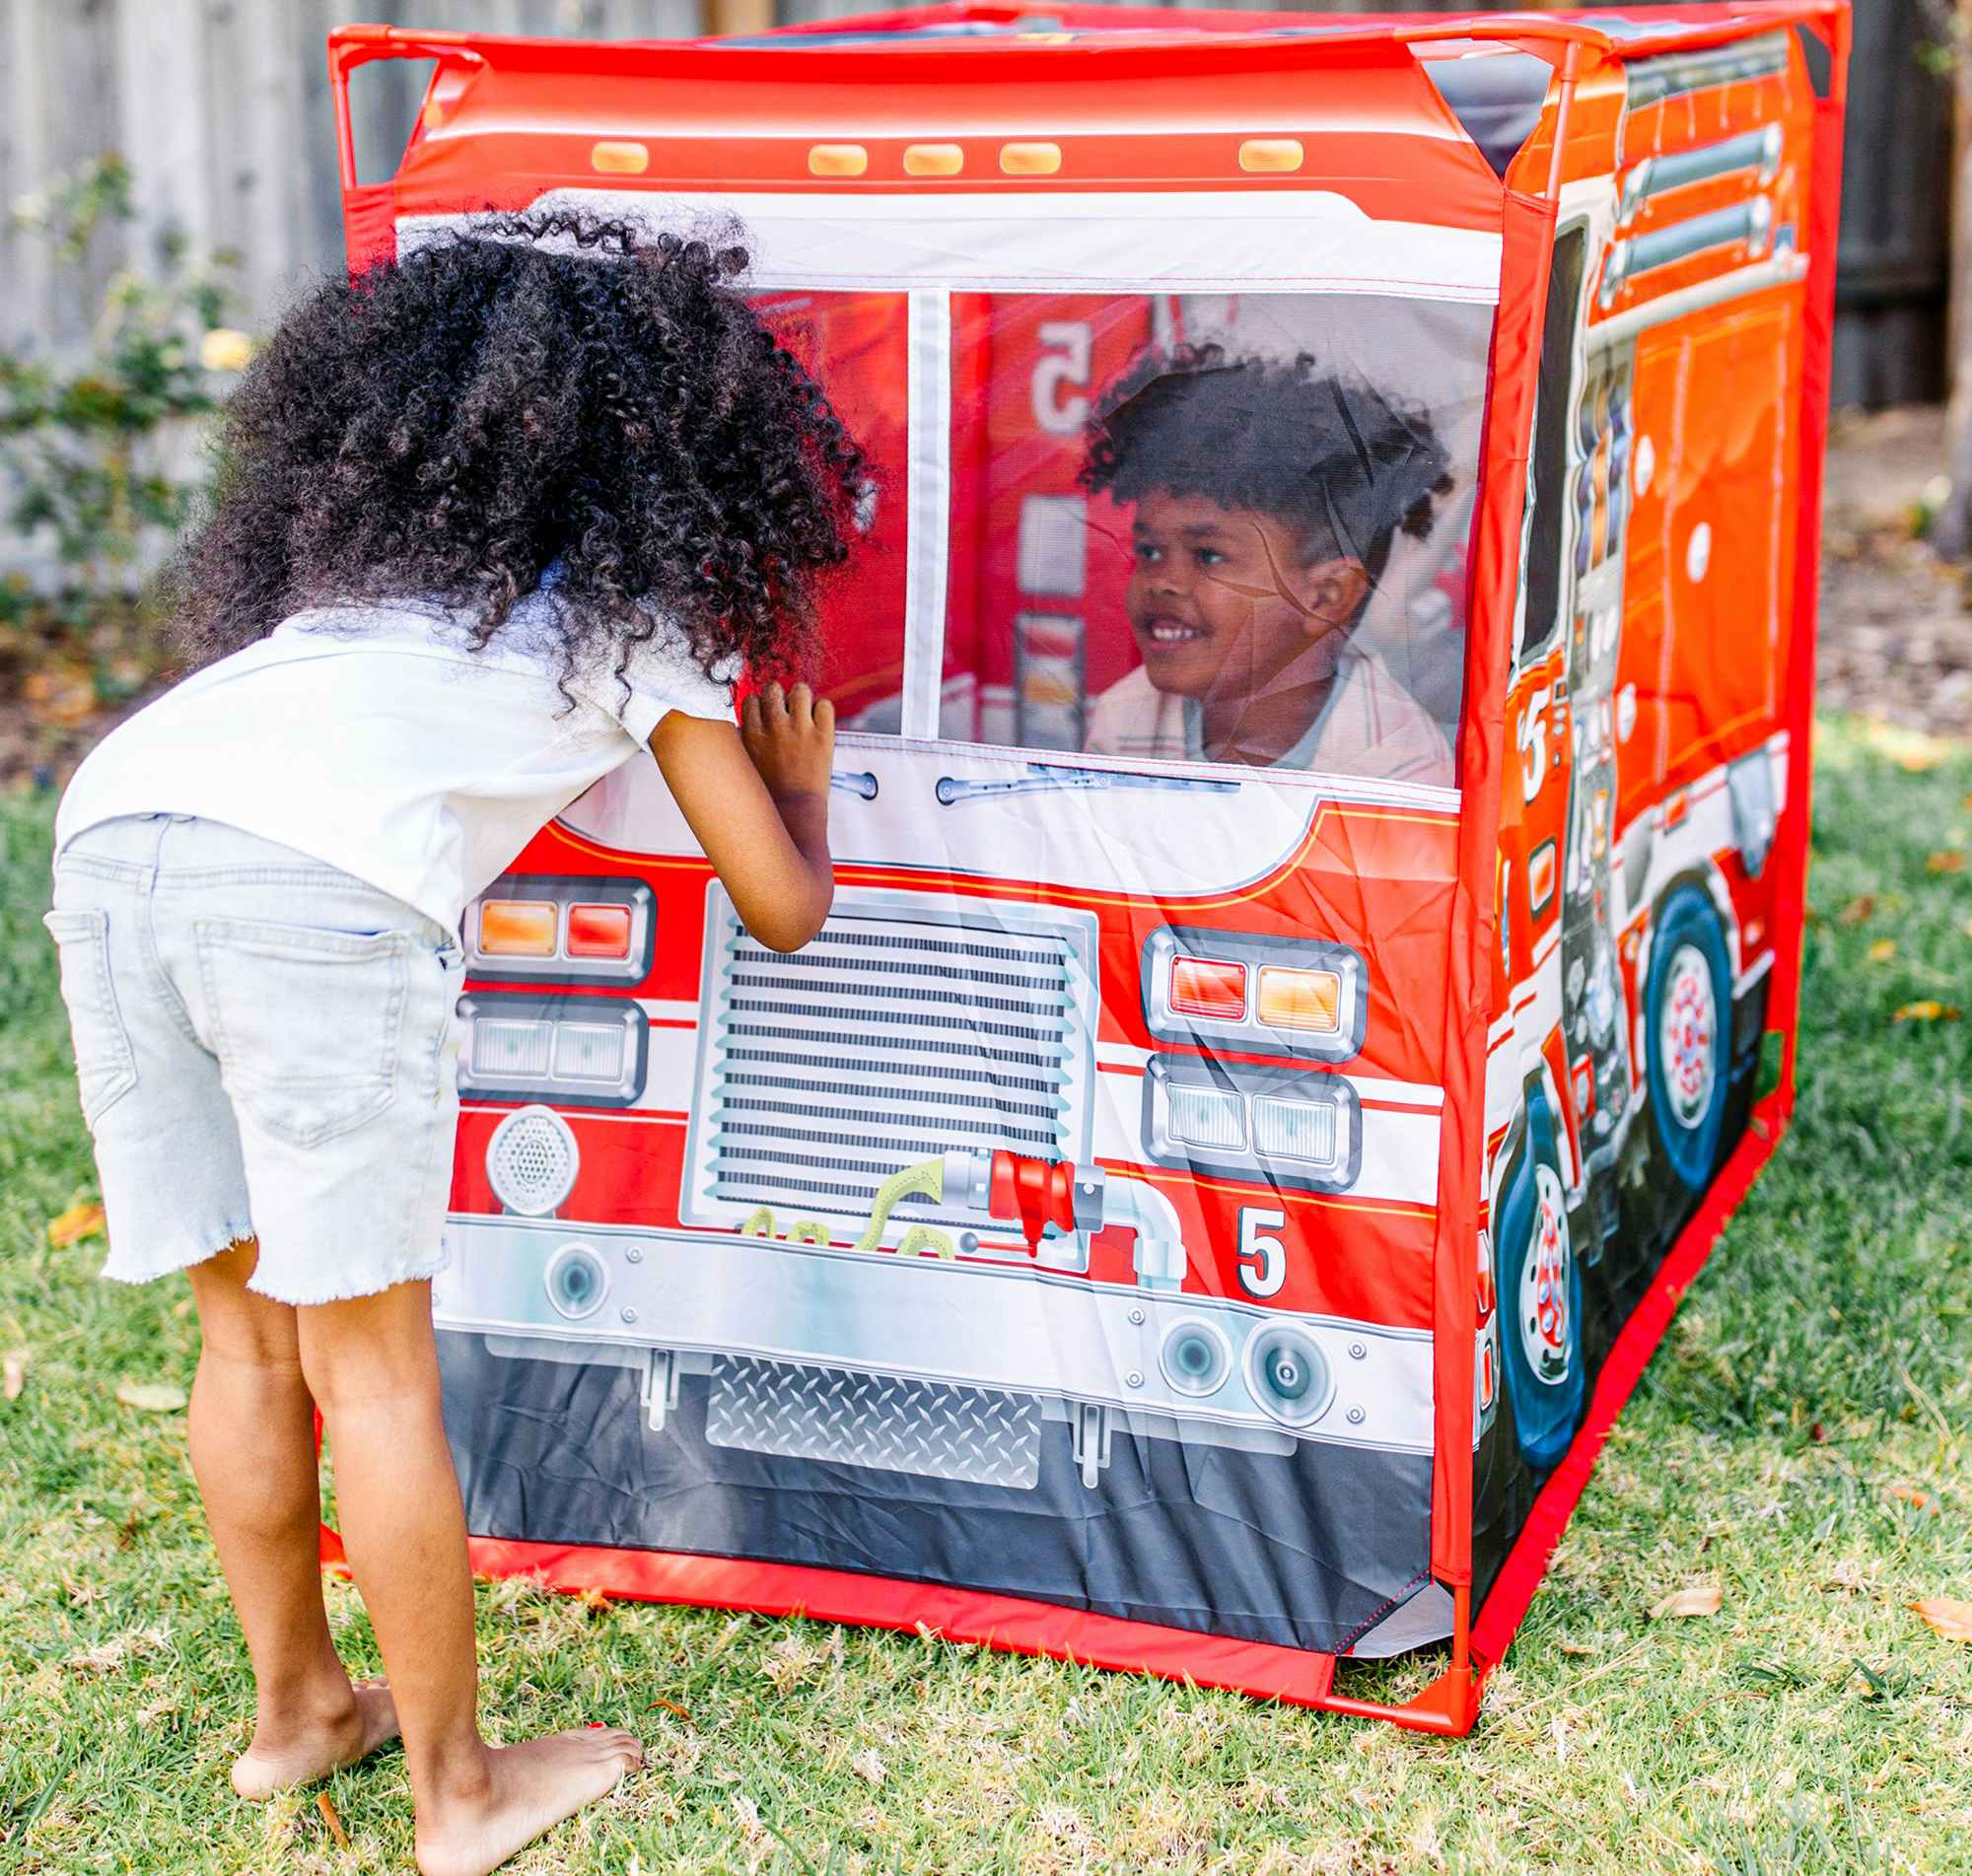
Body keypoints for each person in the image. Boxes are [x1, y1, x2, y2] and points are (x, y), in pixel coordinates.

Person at [41, 213, 857, 1876]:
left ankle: (299, 1715)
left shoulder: (342, 593)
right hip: (313, 888)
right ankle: (461, 1795)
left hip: (120, 817)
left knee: (247, 1338)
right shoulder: (631, 629)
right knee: (374, 1369)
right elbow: (778, 906)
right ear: (671, 449)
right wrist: (807, 787)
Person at [1078, 343, 1457, 784]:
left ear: (1325, 597)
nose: (1163, 581)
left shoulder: (1396, 767)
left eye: (1208, 555)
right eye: (1149, 551)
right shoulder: (1123, 723)